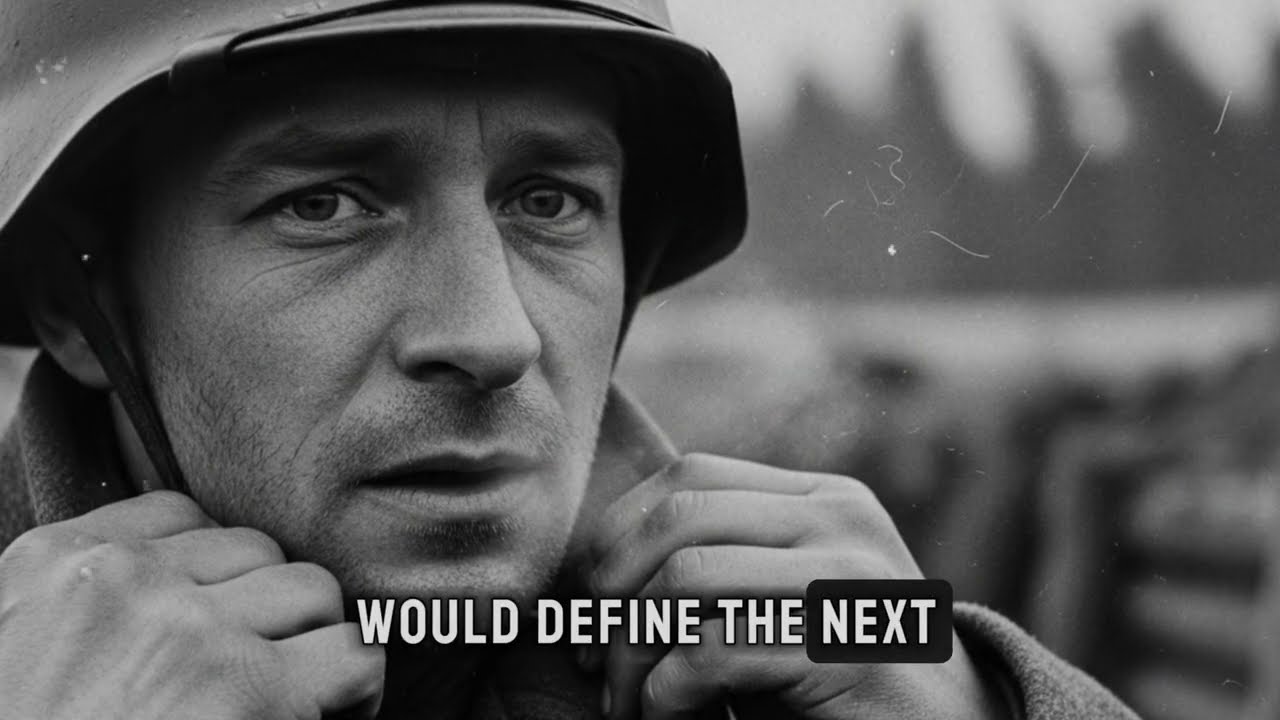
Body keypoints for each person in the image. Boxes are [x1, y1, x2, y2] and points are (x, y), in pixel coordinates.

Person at [0, 1, 1138, 718]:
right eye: (324, 204)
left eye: (548, 201)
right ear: (73, 305)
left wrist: (988, 709)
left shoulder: (816, 671)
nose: (494, 335)